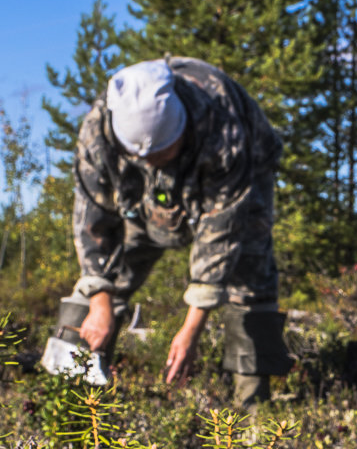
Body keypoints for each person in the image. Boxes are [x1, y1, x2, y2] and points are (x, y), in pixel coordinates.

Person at [46, 56, 292, 407]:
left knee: (249, 270)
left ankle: (253, 407)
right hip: (144, 203)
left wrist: (191, 328)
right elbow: (93, 220)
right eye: (144, 157)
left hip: (243, 180)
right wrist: (100, 298)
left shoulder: (224, 125)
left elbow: (220, 232)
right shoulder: (97, 134)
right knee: (97, 284)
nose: (153, 162)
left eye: (163, 153)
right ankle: (69, 404)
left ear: (182, 128)